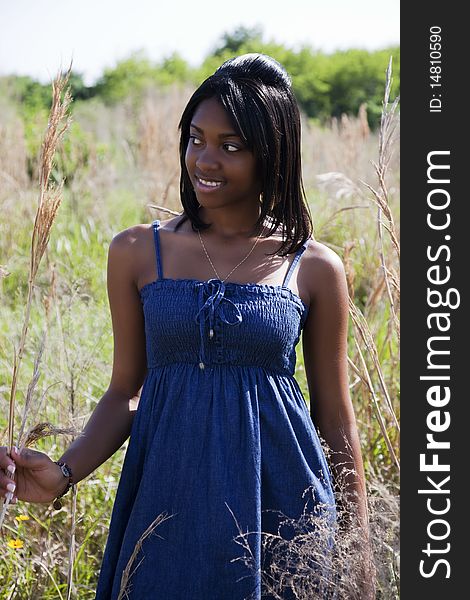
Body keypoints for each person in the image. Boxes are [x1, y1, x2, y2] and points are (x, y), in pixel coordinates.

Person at [0, 53, 374, 598]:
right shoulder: (136, 251)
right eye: (196, 138)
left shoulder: (314, 267)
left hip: (281, 512)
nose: (204, 159)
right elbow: (126, 392)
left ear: (272, 153)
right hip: (166, 507)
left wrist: (357, 560)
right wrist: (61, 473)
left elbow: (336, 421)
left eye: (231, 146)